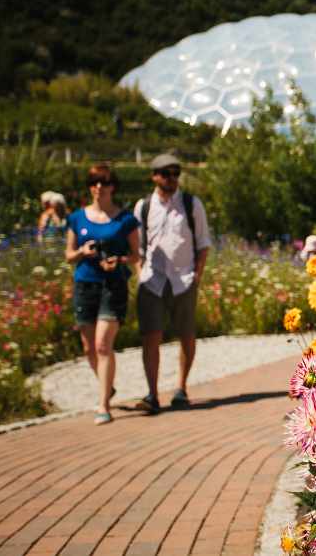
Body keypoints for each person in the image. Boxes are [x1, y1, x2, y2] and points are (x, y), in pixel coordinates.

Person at [134, 153, 212, 414]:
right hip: (152, 279)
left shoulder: (192, 204)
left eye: (176, 173)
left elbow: (203, 244)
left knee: (187, 335)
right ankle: (152, 394)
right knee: (151, 336)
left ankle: (181, 387)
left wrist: (197, 275)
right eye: (166, 173)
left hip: (183, 279)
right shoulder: (143, 207)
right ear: (154, 176)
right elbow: (136, 246)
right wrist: (138, 272)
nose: (172, 178)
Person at [64, 164, 140, 425]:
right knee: (88, 348)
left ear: (112, 187)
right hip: (86, 284)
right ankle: (107, 385)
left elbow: (135, 256)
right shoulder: (77, 218)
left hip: (113, 285)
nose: (99, 188)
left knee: (102, 345)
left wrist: (119, 260)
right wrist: (83, 252)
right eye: (94, 183)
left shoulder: (126, 220)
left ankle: (103, 405)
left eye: (104, 183)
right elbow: (68, 255)